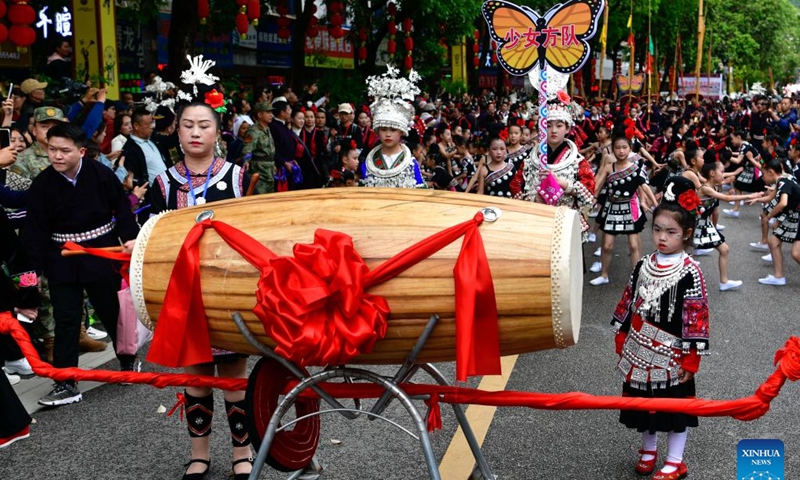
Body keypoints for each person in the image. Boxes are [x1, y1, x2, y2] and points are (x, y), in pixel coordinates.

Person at [149, 101, 252, 480]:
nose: (195, 132)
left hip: (226, 293)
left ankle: (243, 452)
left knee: (234, 376)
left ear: (217, 132)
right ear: (177, 132)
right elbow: (154, 238)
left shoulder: (238, 178)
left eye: (203, 125)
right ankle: (200, 454)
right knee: (196, 377)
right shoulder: (164, 183)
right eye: (188, 125)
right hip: (184, 295)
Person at [23, 123, 140, 406]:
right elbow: (33, 234)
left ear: (82, 151)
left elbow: (122, 209)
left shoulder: (101, 174)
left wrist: (131, 239)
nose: (57, 156)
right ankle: (65, 381)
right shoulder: (42, 185)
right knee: (66, 319)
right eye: (52, 150)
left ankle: (127, 361)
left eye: (65, 150)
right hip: (61, 257)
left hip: (102, 253)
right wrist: (30, 276)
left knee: (112, 311)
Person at [611, 175, 709, 480]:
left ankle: (675, 460)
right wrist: (622, 334)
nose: (662, 237)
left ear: (686, 233)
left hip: (673, 353)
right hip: (640, 348)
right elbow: (629, 300)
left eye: (671, 232)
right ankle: (649, 450)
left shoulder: (691, 271)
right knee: (644, 406)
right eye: (657, 230)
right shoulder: (644, 264)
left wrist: (691, 359)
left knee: (674, 409)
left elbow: (697, 317)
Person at [510, 90, 596, 241]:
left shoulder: (577, 161)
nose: (554, 130)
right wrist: (533, 199)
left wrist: (563, 184)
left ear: (568, 128)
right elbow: (516, 190)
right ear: (541, 127)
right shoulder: (530, 160)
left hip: (565, 223)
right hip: (536, 220)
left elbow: (589, 195)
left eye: (559, 125)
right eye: (548, 125)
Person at [590, 136, 655, 286]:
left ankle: (637, 276)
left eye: (624, 147)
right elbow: (597, 186)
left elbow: (644, 186)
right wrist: (591, 200)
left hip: (630, 210)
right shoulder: (608, 167)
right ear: (613, 149)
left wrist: (654, 204)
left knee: (633, 245)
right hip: (611, 208)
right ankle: (604, 275)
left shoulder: (635, 168)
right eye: (618, 147)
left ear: (630, 149)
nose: (621, 151)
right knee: (606, 245)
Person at [696, 160, 764, 290]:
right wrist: (751, 195)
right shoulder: (705, 188)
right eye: (722, 172)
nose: (723, 175)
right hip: (696, 225)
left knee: (724, 249)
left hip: (705, 225)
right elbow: (726, 199)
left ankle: (724, 282)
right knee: (684, 255)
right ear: (711, 173)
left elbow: (716, 206)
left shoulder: (713, 187)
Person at [360, 67, 425, 188]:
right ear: (377, 131)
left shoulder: (410, 164)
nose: (388, 134)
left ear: (401, 131)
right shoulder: (367, 165)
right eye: (383, 129)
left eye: (393, 129)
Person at [757, 158, 800, 286]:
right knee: (774, 241)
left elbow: (783, 203)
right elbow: (770, 196)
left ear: (770, 172)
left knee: (796, 253)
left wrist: (768, 217)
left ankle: (778, 277)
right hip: (793, 216)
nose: (762, 177)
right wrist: (754, 198)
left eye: (763, 174)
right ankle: (778, 277)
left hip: (796, 217)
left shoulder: (783, 183)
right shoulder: (785, 177)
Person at [242, 101, 276, 194]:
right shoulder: (253, 131)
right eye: (268, 112)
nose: (271, 115)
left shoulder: (267, 129)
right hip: (259, 172)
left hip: (269, 171)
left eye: (271, 112)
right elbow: (247, 148)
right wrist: (246, 161)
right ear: (260, 114)